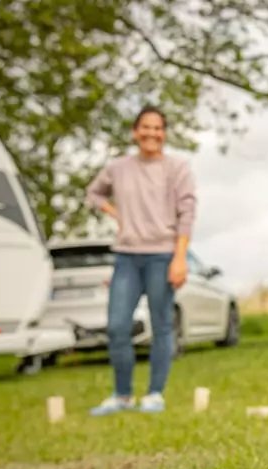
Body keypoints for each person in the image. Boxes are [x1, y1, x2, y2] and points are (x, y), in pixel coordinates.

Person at [85, 105, 196, 415]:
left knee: (161, 326)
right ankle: (122, 395)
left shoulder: (177, 168)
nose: (152, 133)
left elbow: (187, 213)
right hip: (127, 257)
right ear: (135, 132)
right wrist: (116, 213)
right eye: (145, 127)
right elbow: (93, 194)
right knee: (118, 327)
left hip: (163, 255)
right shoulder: (118, 168)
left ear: (164, 133)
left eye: (158, 128)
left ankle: (154, 394)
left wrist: (180, 258)